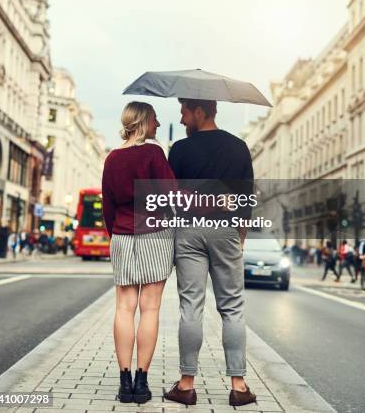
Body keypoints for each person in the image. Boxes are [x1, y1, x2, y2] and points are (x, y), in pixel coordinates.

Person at [164, 98, 257, 408]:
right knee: (232, 306)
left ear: (199, 111)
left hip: (189, 231)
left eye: (184, 111)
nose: (181, 117)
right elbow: (246, 196)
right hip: (226, 230)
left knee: (191, 306)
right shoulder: (238, 147)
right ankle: (239, 386)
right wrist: (239, 235)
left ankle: (187, 385)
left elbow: (168, 194)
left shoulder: (179, 149)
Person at [102, 101, 175, 404]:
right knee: (151, 308)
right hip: (155, 234)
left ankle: (124, 381)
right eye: (155, 120)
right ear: (145, 122)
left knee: (123, 308)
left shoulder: (112, 158)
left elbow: (108, 204)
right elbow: (171, 193)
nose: (158, 125)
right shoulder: (154, 153)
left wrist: (115, 232)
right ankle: (142, 383)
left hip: (122, 234)